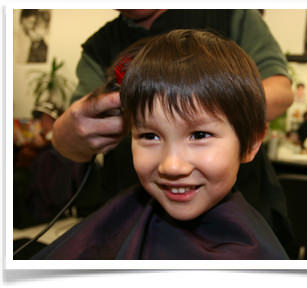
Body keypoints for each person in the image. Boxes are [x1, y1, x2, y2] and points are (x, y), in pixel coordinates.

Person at [33, 30, 289, 260]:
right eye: (150, 136)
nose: (172, 166)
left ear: (252, 142)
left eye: (199, 135)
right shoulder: (98, 44)